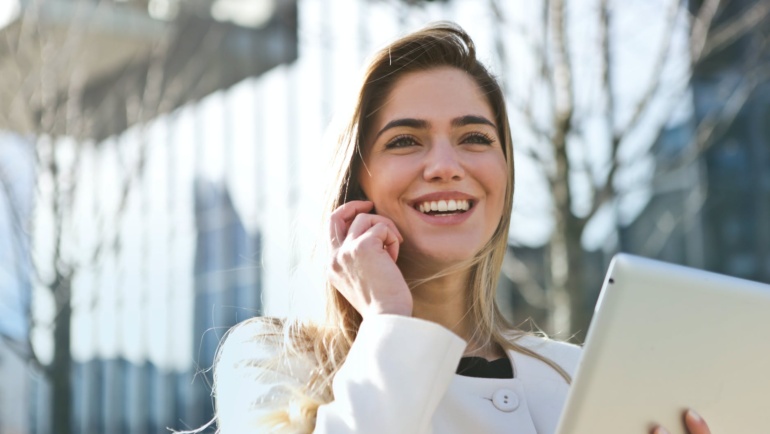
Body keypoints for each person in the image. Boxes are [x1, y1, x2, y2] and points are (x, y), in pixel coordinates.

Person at [212, 22, 712, 434]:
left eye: (475, 137)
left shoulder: (576, 375)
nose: (446, 166)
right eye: (406, 140)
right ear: (355, 181)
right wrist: (389, 320)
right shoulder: (269, 362)